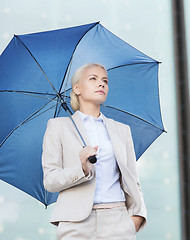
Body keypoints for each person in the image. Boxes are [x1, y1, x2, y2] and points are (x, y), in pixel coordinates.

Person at [42, 63, 147, 240]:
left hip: (118, 220)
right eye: (93, 79)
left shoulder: (122, 130)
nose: (102, 84)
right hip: (75, 224)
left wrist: (136, 218)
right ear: (77, 88)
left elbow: (133, 180)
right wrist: (81, 170)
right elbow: (50, 181)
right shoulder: (58, 126)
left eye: (105, 80)